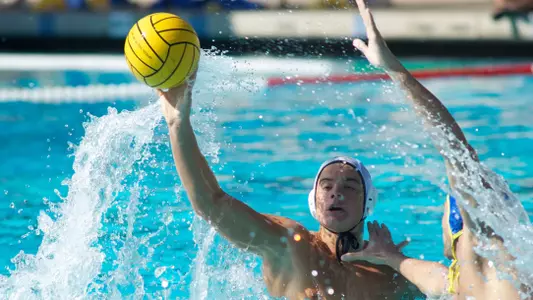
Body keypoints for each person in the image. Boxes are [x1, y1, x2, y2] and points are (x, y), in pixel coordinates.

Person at [157, 1, 425, 298]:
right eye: (327, 186)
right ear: (313, 200)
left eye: (350, 186)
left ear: (369, 203)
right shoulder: (291, 245)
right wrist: (177, 125)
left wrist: (399, 261)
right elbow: (211, 204)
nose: (336, 193)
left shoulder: (393, 279)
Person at [341, 1, 530, 299]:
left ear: (459, 222)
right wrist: (391, 257)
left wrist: (395, 70)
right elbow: (424, 272)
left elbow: (454, 149)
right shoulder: (461, 280)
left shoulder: (487, 253)